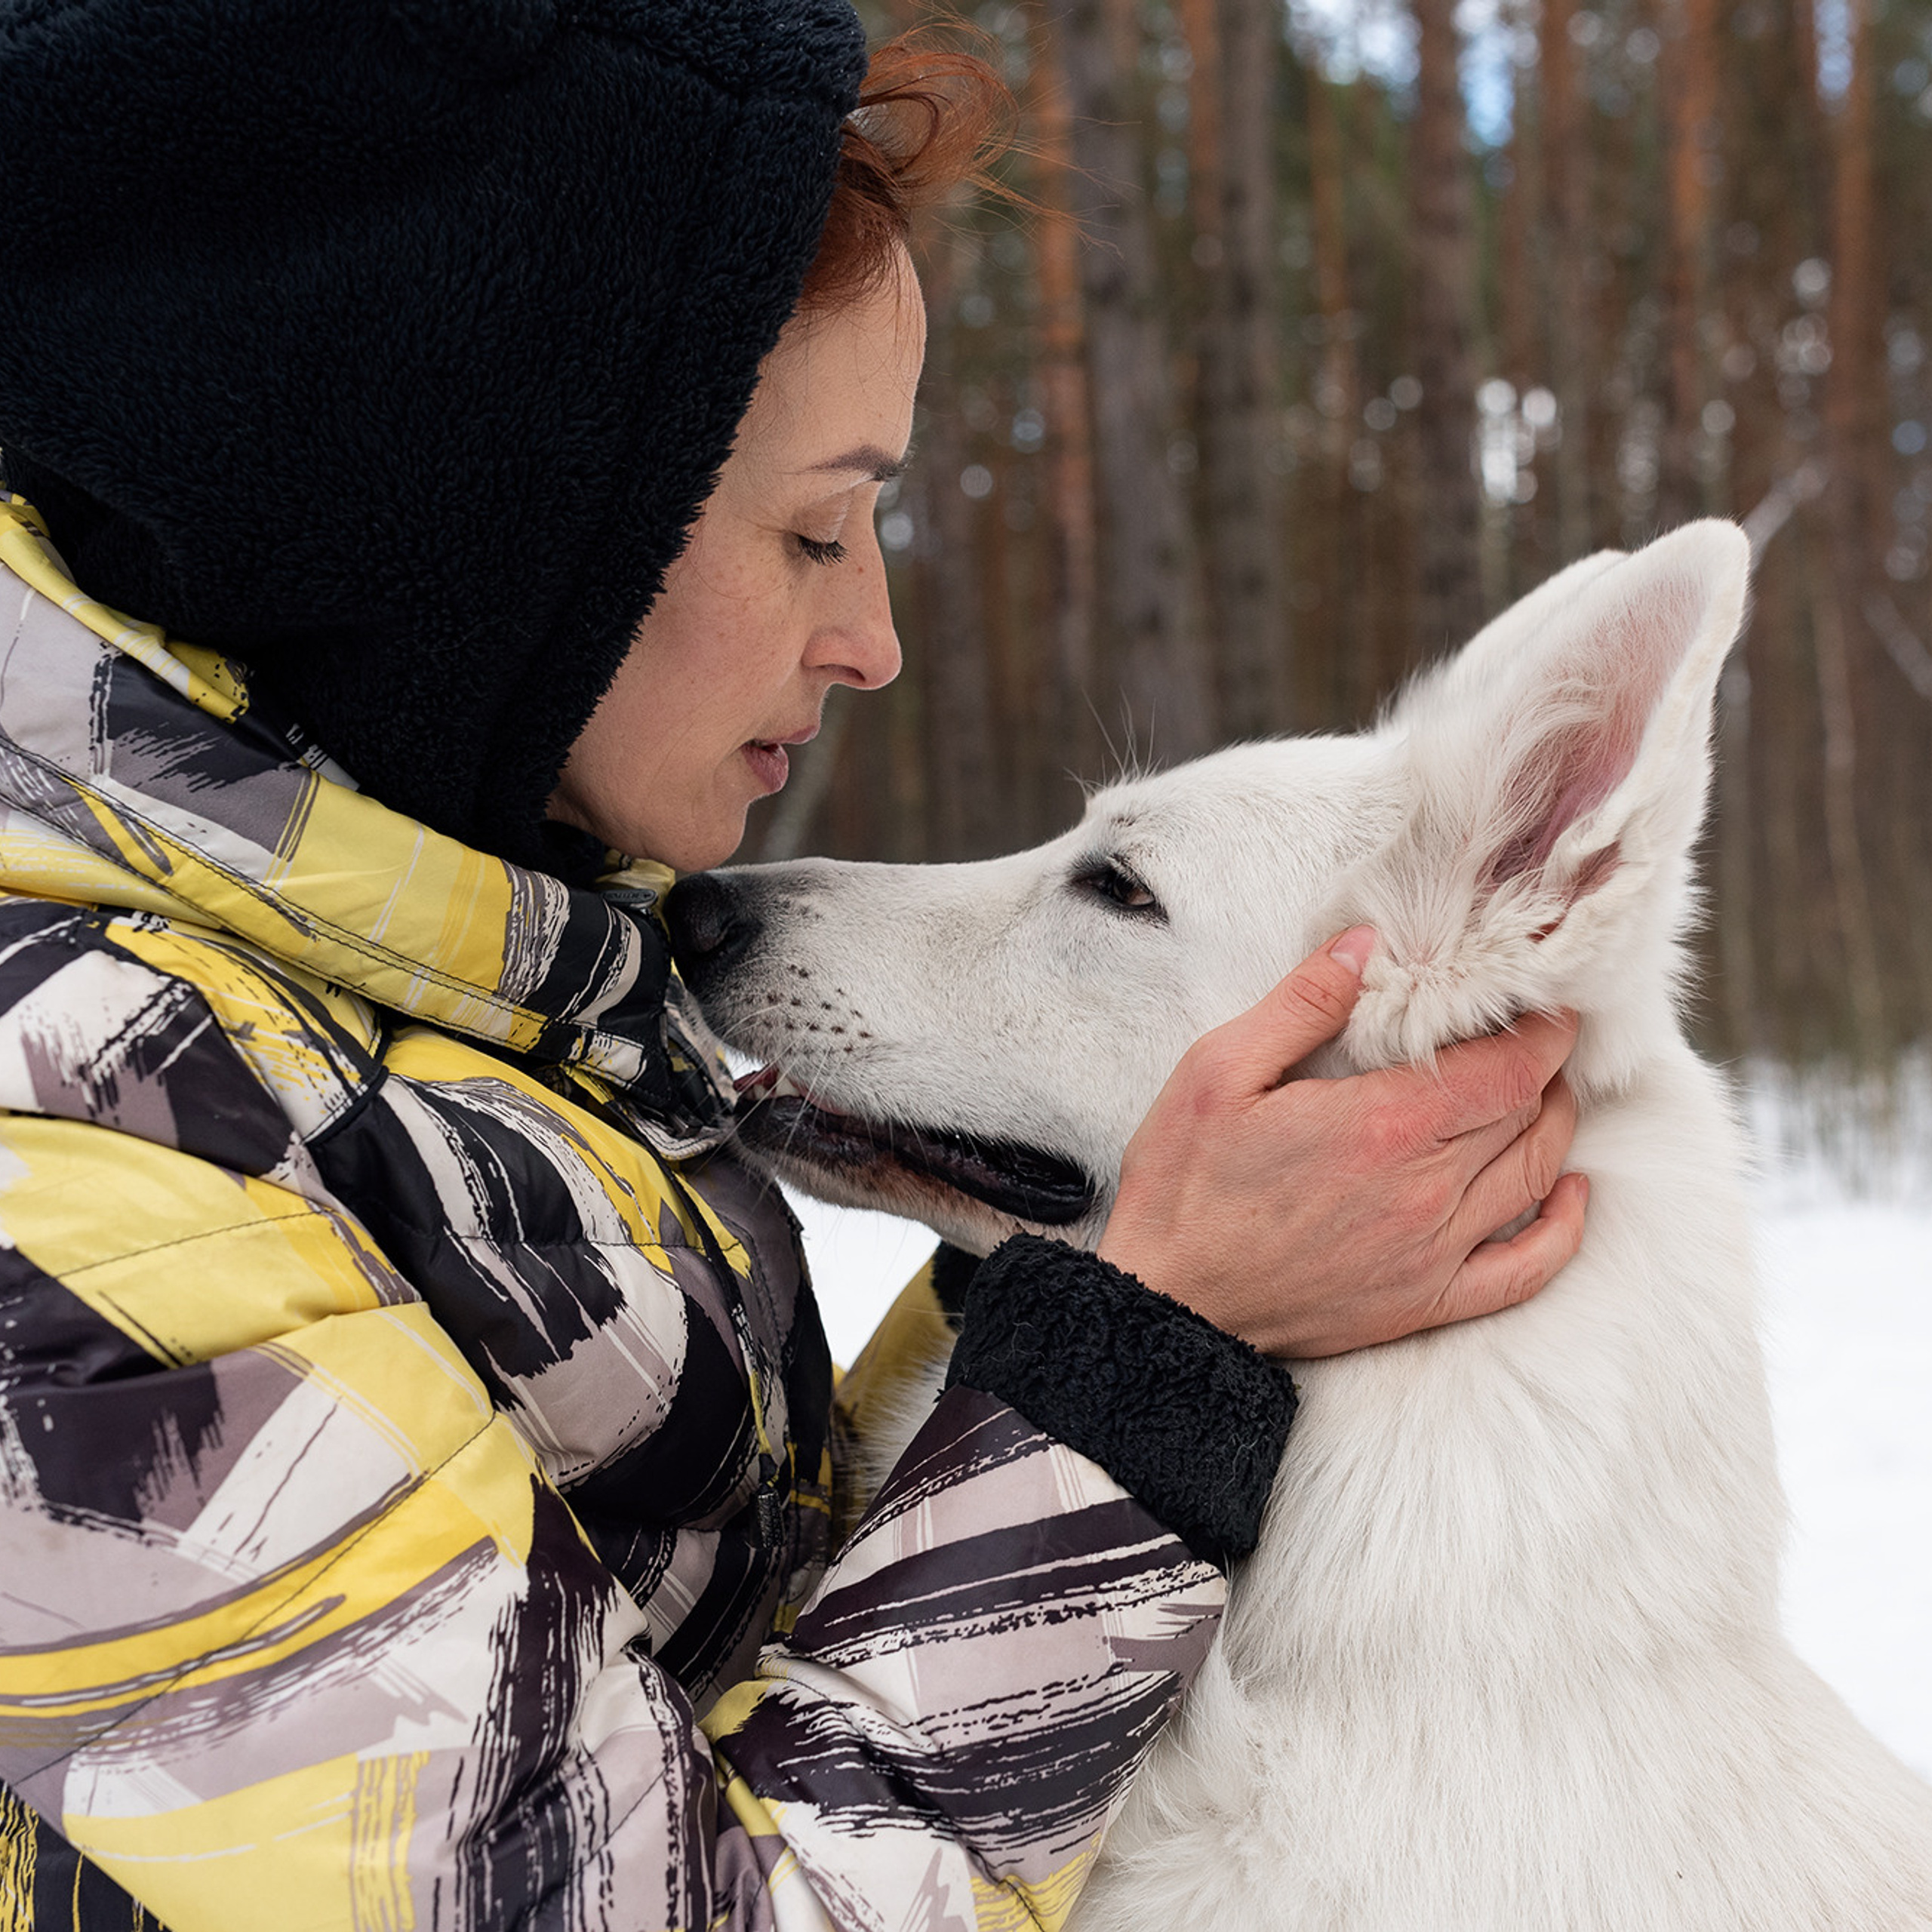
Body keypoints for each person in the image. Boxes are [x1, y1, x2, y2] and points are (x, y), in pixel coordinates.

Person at [0, 5, 1586, 1927]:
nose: (874, 638)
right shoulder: (66, 1167)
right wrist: (1130, 1374)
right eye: (819, 526)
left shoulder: (461, 987)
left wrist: (1124, 1256)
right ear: (500, 530)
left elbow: (726, 1627)